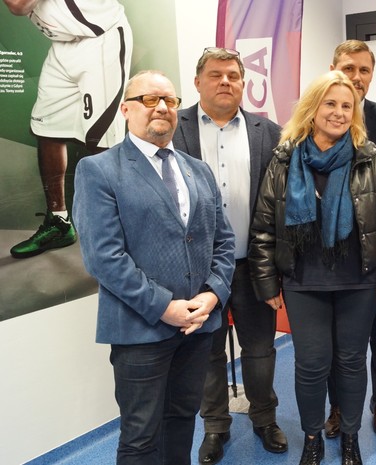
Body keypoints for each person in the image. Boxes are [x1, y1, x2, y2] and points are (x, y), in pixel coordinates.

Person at [72, 70, 236, 465]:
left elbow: (223, 241)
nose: (161, 107)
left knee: (181, 420)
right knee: (140, 437)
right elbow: (104, 257)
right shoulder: (99, 170)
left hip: (196, 328)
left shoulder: (198, 170)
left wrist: (212, 295)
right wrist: (165, 306)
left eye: (170, 100)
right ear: (126, 110)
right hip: (140, 330)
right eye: (149, 99)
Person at [249, 70, 376, 465]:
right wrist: (267, 282)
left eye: (346, 106)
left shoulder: (369, 157)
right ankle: (312, 438)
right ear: (312, 107)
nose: (339, 113)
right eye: (331, 103)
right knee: (310, 365)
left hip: (360, 282)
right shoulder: (284, 159)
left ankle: (351, 438)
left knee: (352, 362)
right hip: (303, 283)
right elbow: (264, 227)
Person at [171, 47, 286, 464]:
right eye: (215, 75)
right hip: (197, 269)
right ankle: (215, 426)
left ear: (243, 82)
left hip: (255, 265)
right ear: (197, 82)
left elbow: (282, 203)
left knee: (260, 350)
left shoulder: (268, 132)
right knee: (207, 352)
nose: (225, 82)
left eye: (233, 75)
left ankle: (265, 418)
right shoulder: (175, 129)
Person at [5, 0, 132, 258]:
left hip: (102, 39)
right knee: (47, 129)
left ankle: (123, 232)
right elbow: (17, 5)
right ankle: (59, 223)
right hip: (62, 45)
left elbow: (20, 4)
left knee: (103, 142)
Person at [324, 39, 376, 440]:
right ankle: (337, 407)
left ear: (372, 75)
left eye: (364, 70)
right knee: (336, 342)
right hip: (331, 257)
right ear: (333, 70)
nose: (356, 77)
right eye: (348, 68)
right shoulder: (316, 118)